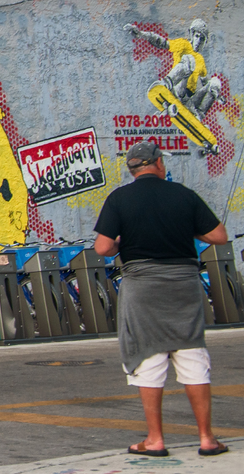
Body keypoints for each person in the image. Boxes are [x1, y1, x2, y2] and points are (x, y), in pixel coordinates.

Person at [93, 140, 229, 457]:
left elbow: (102, 248)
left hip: (142, 287)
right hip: (184, 285)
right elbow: (218, 236)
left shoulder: (119, 199)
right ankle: (207, 438)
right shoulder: (183, 195)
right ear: (158, 165)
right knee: (192, 355)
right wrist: (188, 229)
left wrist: (119, 244)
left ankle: (155, 439)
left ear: (133, 169)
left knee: (149, 357)